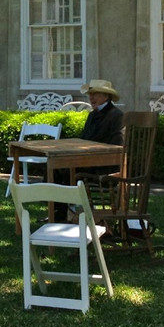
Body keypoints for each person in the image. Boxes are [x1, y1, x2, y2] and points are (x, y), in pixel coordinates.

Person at [54, 79, 124, 223]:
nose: (91, 98)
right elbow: (84, 140)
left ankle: (64, 213)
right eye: (90, 94)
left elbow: (117, 147)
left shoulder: (116, 116)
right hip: (88, 162)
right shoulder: (92, 115)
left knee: (65, 171)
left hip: (104, 167)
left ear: (106, 96)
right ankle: (59, 211)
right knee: (55, 168)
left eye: (95, 94)